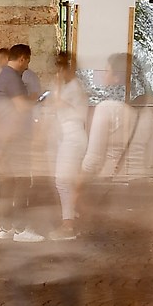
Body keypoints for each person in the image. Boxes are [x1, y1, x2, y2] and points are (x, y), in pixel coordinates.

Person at [81, 51, 153, 306]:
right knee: (142, 259)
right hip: (143, 190)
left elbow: (93, 160)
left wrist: (76, 184)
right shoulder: (146, 109)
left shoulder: (106, 110)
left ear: (116, 76)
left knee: (119, 264)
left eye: (107, 71)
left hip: (117, 192)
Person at [0, 44, 44, 240]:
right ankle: (21, 229)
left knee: (9, 183)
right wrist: (36, 100)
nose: (27, 66)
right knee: (22, 181)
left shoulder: (3, 76)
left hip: (6, 137)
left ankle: (5, 227)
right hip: (16, 138)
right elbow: (22, 107)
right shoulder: (12, 77)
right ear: (22, 58)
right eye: (28, 61)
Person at [47, 51, 91, 237]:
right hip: (67, 136)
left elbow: (56, 104)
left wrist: (56, 87)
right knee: (67, 181)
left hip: (72, 135)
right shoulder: (68, 86)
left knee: (63, 181)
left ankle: (68, 225)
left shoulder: (74, 87)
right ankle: (74, 216)